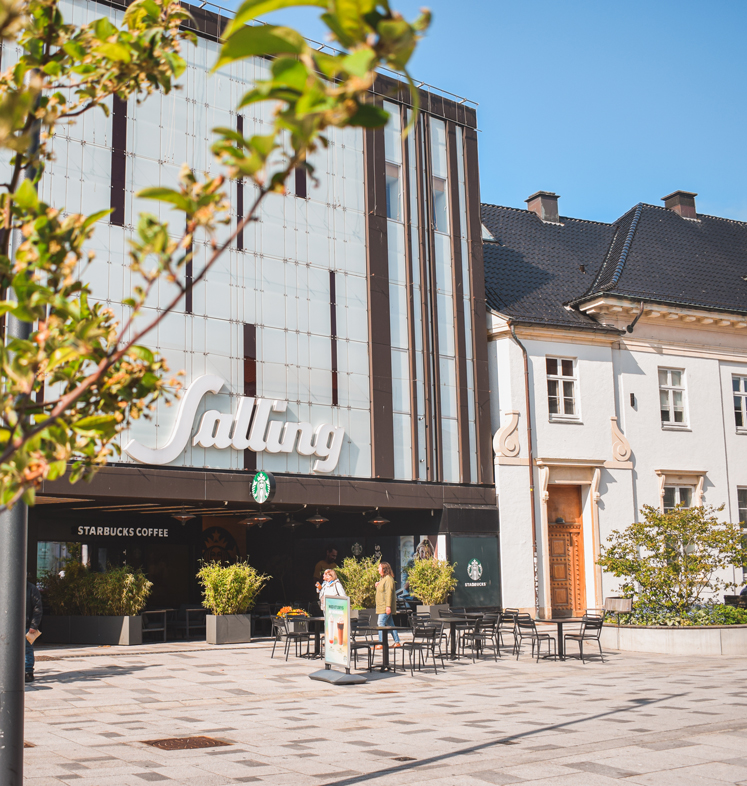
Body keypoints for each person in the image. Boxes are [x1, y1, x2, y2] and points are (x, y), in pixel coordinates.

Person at [375, 562, 400, 648]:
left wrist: (388, 606)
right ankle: (397, 642)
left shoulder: (388, 579)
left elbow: (388, 593)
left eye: (379, 568)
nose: (378, 570)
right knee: (390, 624)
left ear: (384, 569)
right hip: (382, 606)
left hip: (384, 606)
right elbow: (382, 590)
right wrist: (377, 585)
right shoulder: (383, 579)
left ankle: (381, 643)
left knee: (380, 622)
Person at [26, 580, 42, 683]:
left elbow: (37, 608)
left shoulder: (31, 588)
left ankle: (28, 672)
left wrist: (33, 625)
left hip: (27, 625)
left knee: (27, 648)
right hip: (8, 626)